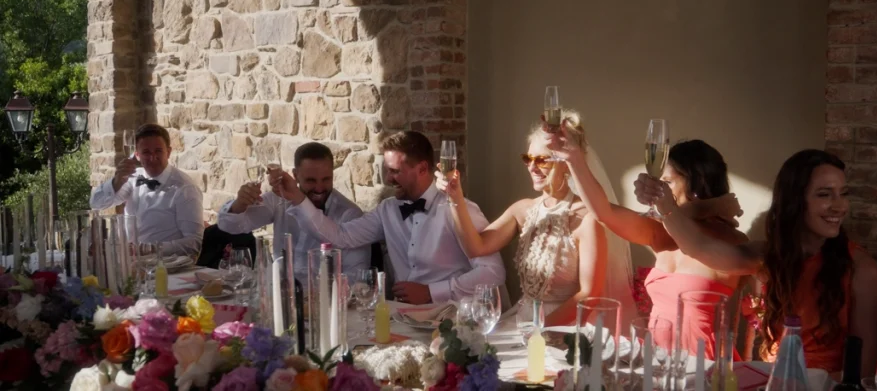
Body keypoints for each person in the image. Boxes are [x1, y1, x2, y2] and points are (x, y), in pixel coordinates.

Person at [635, 149, 877, 376]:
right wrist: (664, 204)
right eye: (824, 195)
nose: (839, 206)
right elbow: (702, 248)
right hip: (769, 379)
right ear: (794, 201)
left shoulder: (862, 270)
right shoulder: (771, 256)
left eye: (843, 194)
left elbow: (861, 375)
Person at [547, 133, 749, 359]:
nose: (657, 189)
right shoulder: (661, 232)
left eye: (667, 182)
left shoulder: (731, 241)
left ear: (697, 184)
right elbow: (603, 212)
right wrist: (574, 159)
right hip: (655, 362)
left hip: (704, 366)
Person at [436, 111, 636, 327]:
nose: (532, 167)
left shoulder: (587, 219)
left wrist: (541, 331)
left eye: (541, 160)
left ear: (566, 163)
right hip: (522, 321)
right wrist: (455, 197)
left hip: (564, 328)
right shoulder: (522, 210)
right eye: (527, 159)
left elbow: (590, 294)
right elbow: (475, 247)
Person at [269, 131, 505, 305]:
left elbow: (493, 273)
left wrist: (432, 292)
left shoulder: (460, 209)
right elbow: (341, 237)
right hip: (404, 318)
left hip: (454, 316)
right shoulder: (388, 210)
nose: (388, 179)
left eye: (395, 171)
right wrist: (299, 199)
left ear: (422, 169)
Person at [216, 142, 369, 277]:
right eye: (311, 180)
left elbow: (355, 278)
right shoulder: (279, 199)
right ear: (295, 175)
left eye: (326, 179)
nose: (319, 188)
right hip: (278, 293)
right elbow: (228, 226)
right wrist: (240, 204)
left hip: (322, 300)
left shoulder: (349, 214)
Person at [89, 123, 203, 258]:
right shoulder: (132, 178)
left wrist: (150, 249)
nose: (152, 158)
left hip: (165, 268)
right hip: (128, 264)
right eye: (146, 152)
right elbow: (96, 203)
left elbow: (194, 243)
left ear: (169, 152)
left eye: (158, 151)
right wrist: (116, 181)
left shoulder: (185, 188)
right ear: (137, 155)